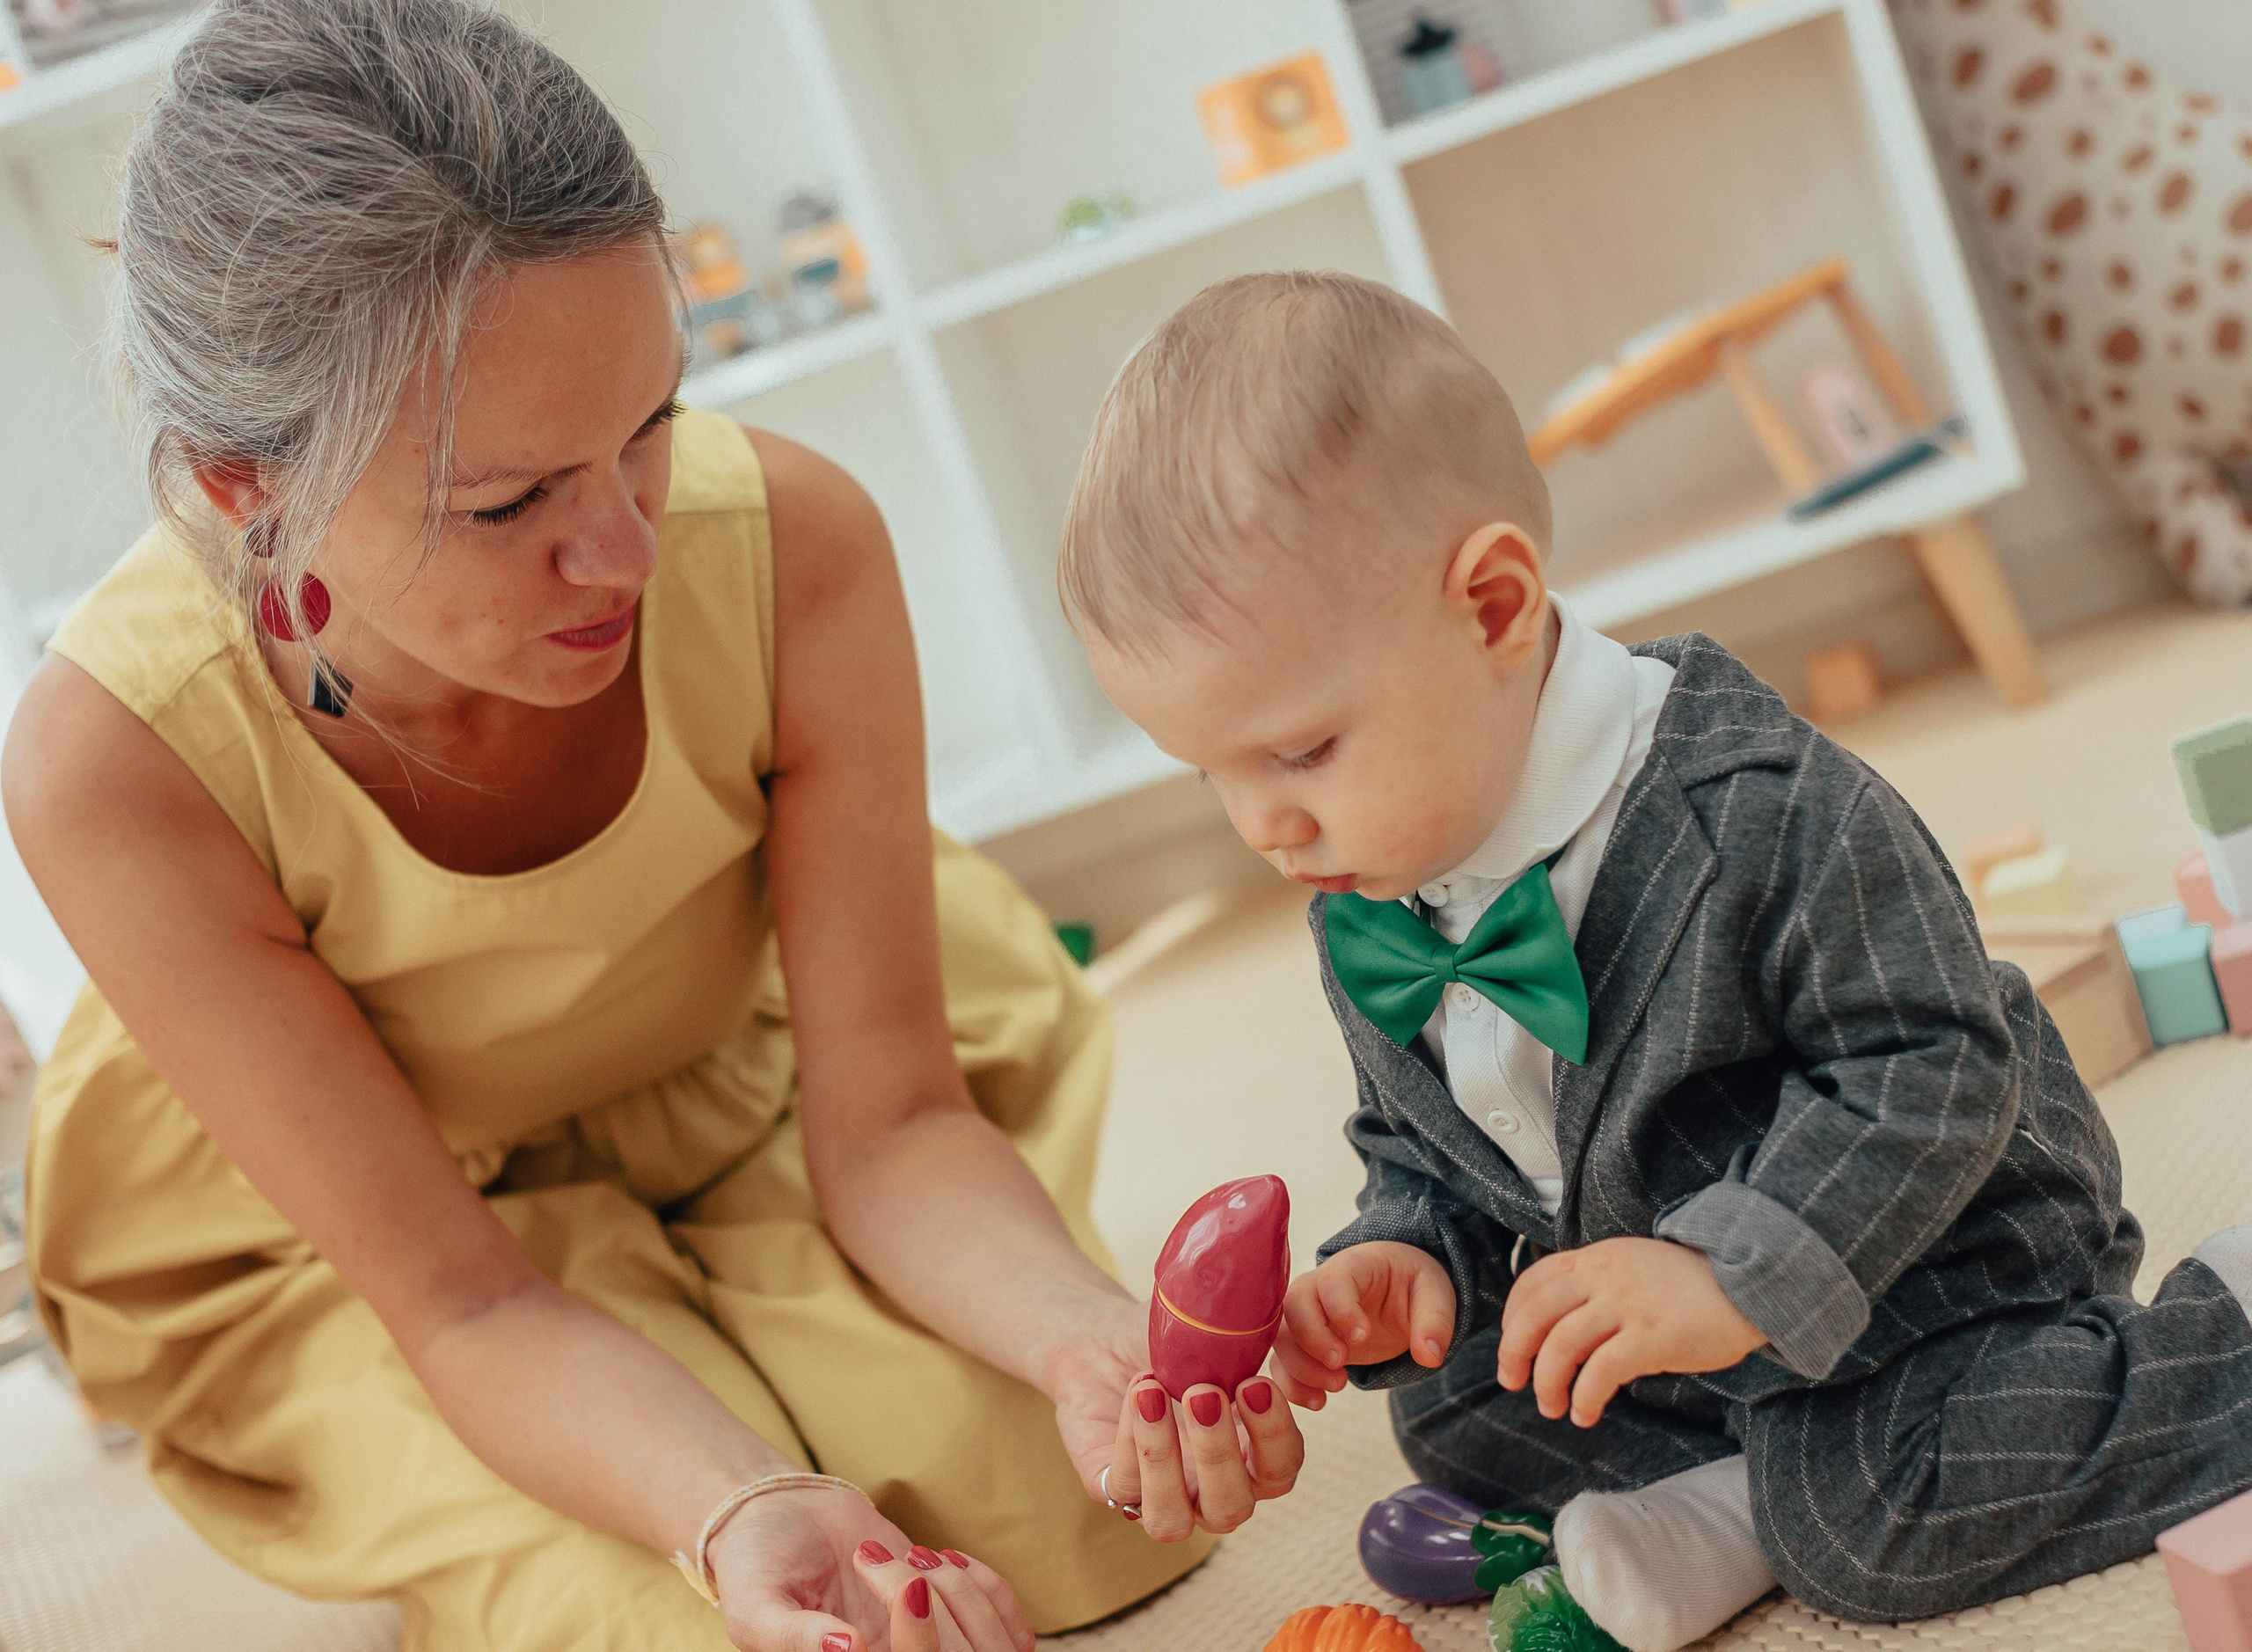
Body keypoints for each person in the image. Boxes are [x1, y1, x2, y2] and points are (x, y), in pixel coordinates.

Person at [1, 4, 1305, 1648]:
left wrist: (1079, 1334)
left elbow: (895, 1125)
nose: (623, 551)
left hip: (742, 1090)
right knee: (680, 1616)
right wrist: (734, 1505)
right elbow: (462, 1300)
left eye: (650, 427)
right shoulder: (113, 764)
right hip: (388, 1237)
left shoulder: (797, 544)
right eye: (507, 503)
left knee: (1049, 1498)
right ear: (252, 484)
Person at [1057, 270, 2252, 1652]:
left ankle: (2209, 1339)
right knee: (1449, 1400)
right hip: (1636, 1254)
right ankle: (1756, 1487)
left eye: (1302, 751)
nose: (1263, 827)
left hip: (1927, 1246)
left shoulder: (1758, 805)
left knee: (1876, 1521)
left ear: (1496, 605)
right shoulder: (1363, 876)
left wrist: (1727, 1276)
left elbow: (1939, 1068)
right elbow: (1422, 1134)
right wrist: (1403, 1244)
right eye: (1212, 774)